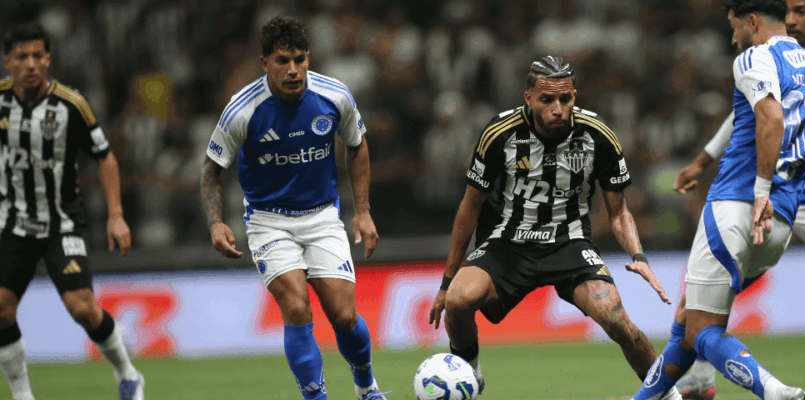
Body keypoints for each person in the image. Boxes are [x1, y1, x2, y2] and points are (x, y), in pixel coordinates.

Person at [632, 0, 805, 399]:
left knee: (701, 330)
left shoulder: (754, 56)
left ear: (752, 20)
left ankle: (773, 391)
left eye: (733, 26)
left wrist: (759, 192)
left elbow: (770, 117)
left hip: (737, 204)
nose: (732, 36)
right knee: (689, 322)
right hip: (782, 223)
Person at [427, 55, 673, 395]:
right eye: (547, 99)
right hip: (508, 244)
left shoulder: (598, 135)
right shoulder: (499, 134)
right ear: (528, 98)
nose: (558, 108)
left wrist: (639, 256)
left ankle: (669, 394)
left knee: (618, 321)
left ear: (574, 95)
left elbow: (618, 212)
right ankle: (470, 371)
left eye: (566, 98)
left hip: (569, 243)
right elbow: (470, 205)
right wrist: (447, 281)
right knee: (457, 302)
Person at [200, 17, 385, 400]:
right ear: (265, 63)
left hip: (322, 216)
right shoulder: (242, 111)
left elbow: (357, 144)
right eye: (283, 61)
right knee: (298, 310)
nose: (293, 70)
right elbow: (211, 168)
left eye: (300, 59)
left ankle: (366, 386)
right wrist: (216, 222)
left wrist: (362, 210)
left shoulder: (334, 96)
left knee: (345, 317)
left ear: (308, 58)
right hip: (269, 222)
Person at [0, 24, 143, 400]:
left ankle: (128, 374)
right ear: (8, 61)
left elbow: (105, 156)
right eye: (22, 57)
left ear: (48, 59)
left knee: (82, 308)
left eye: (37, 56)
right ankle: (23, 396)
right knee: (0, 308)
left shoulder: (71, 104)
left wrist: (116, 214)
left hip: (62, 224)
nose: (30, 64)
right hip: (12, 224)